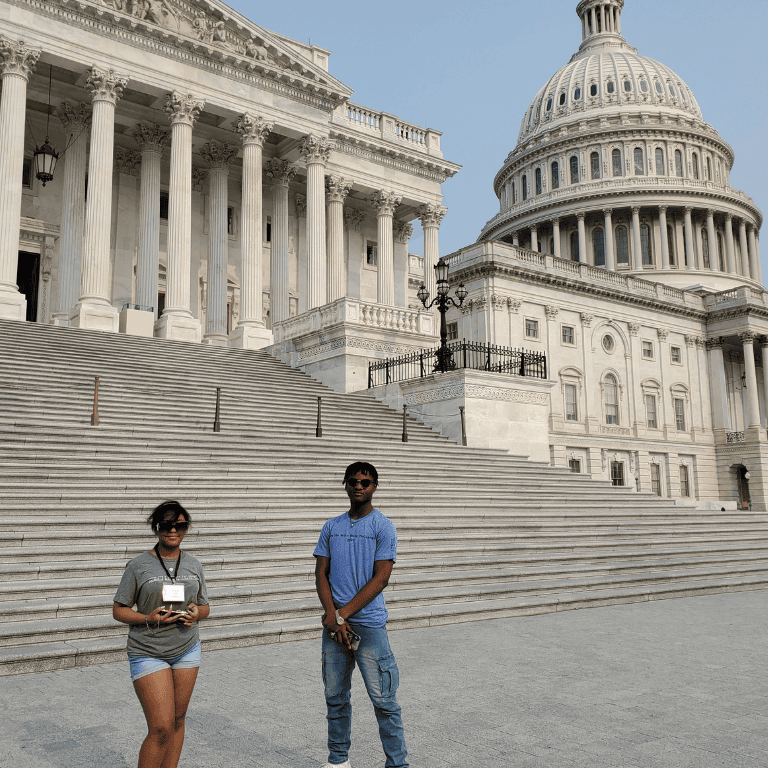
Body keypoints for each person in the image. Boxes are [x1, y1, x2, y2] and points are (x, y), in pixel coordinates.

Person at [313, 461, 408, 768]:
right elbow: (320, 573)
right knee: (336, 699)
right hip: (335, 628)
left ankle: (397, 764)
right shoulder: (331, 526)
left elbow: (381, 579)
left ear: (374, 487)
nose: (358, 486)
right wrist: (332, 616)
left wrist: (341, 615)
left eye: (365, 482)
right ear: (345, 485)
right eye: (352, 481)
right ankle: (338, 762)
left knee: (384, 702)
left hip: (368, 627)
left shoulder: (384, 526)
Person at [113, 500, 210, 768]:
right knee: (161, 728)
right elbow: (119, 610)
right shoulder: (138, 565)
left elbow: (205, 606)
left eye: (180, 525)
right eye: (166, 525)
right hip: (148, 651)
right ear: (156, 528)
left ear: (186, 529)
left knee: (179, 720)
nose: (173, 530)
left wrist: (196, 613)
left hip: (186, 649)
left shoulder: (194, 564)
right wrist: (147, 617)